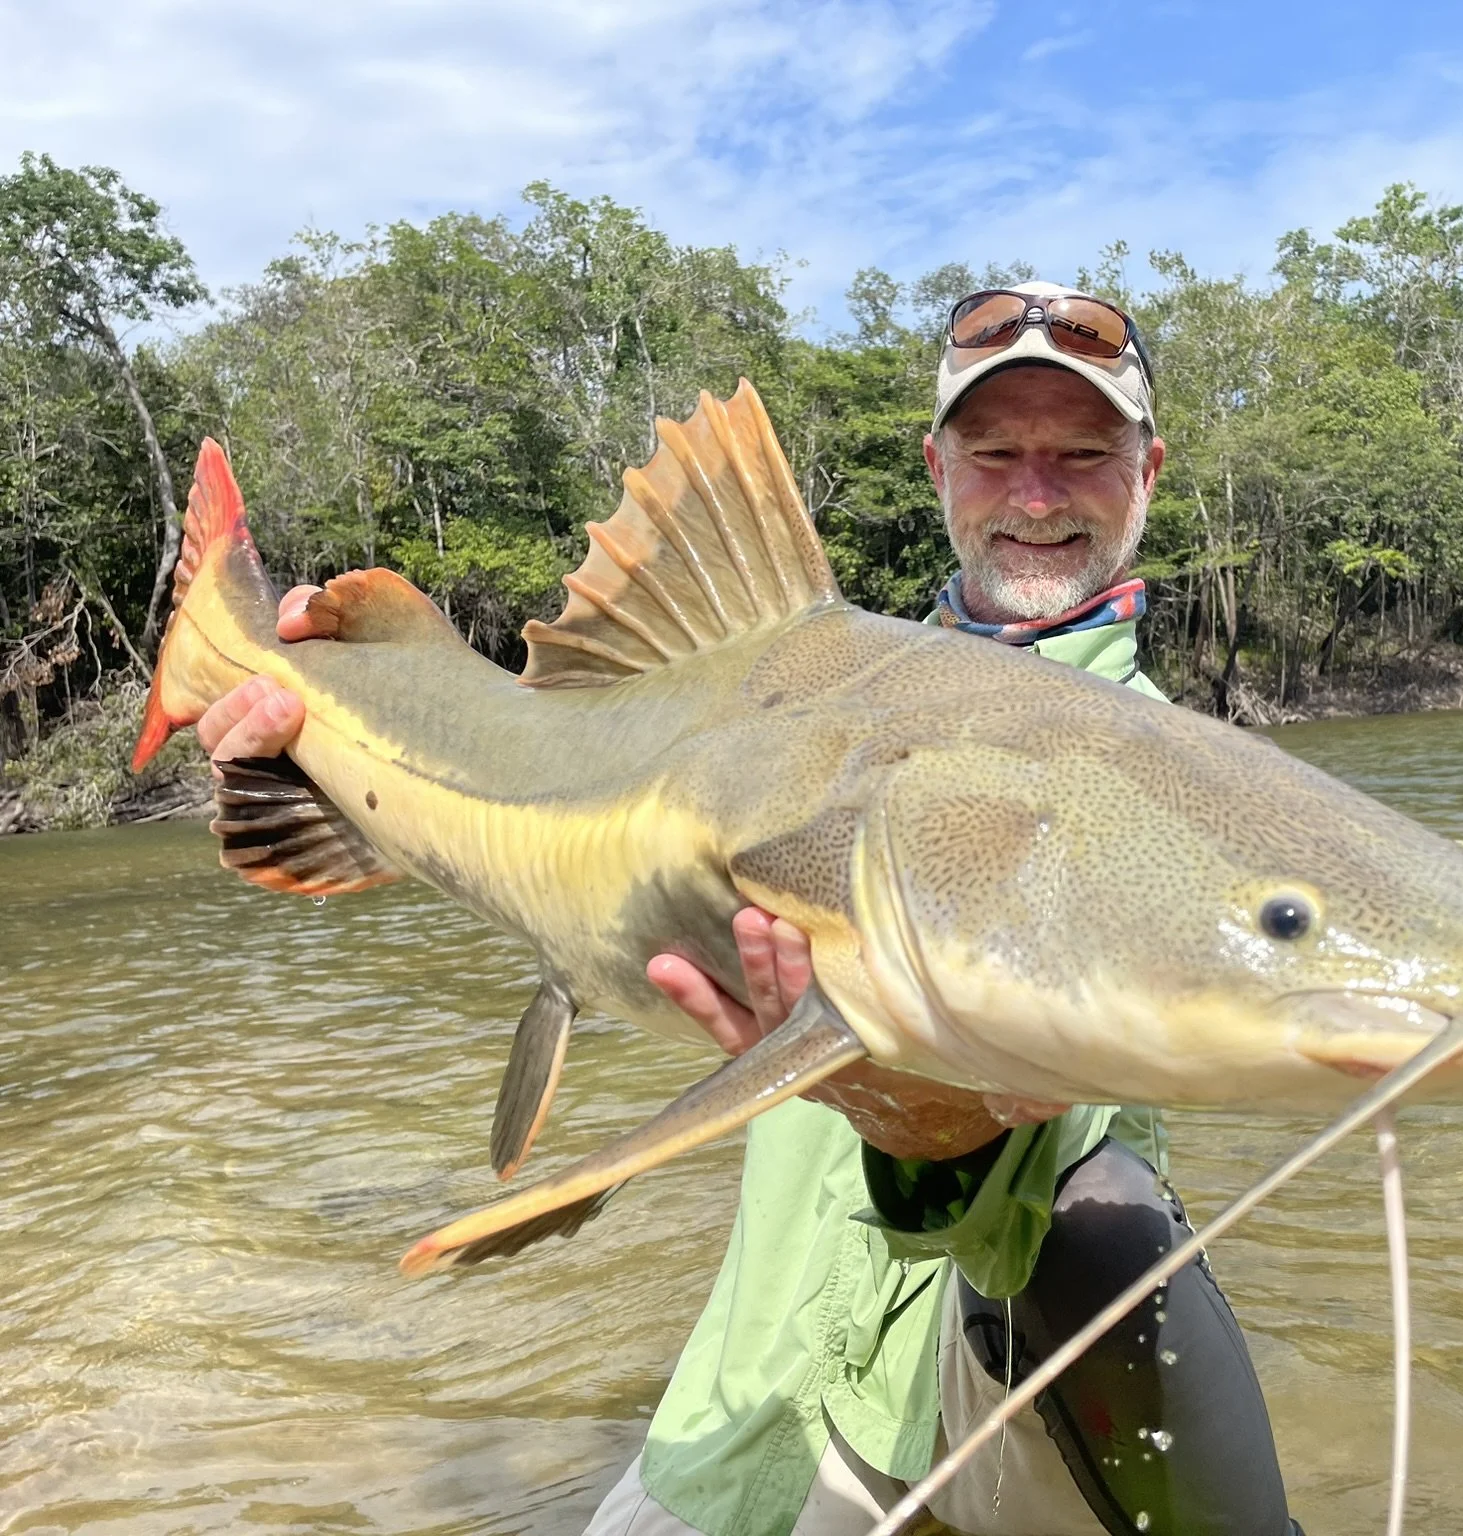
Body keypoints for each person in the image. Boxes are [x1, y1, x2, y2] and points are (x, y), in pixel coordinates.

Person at [197, 281, 1301, 1536]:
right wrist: (302, 763)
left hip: (1000, 1385)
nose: (1036, 494)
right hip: (752, 1394)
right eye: (997, 453)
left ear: (1147, 472)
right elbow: (492, 775)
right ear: (938, 467)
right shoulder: (776, 679)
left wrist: (938, 1123)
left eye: (1082, 455)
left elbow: (1076, 1158)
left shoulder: (1186, 776)